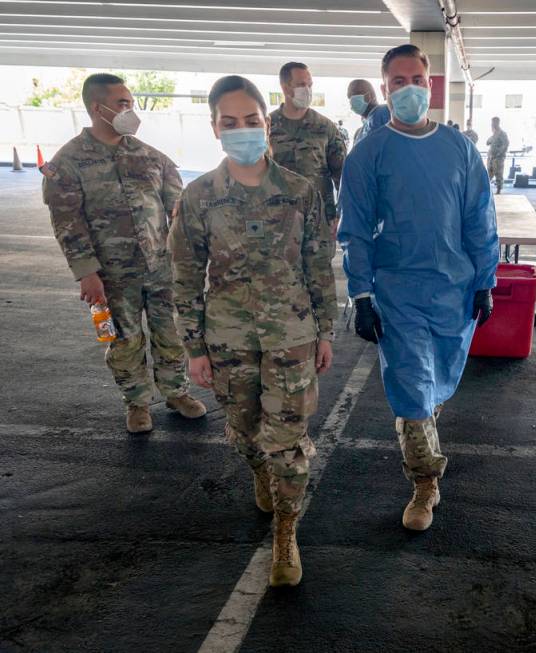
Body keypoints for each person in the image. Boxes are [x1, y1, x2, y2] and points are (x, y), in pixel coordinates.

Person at [169, 75, 337, 588]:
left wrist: (325, 331)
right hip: (229, 339)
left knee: (287, 441)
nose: (242, 130)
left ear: (267, 124)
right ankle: (259, 472)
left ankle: (286, 533)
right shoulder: (198, 197)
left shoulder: (299, 190)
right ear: (215, 128)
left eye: (251, 121)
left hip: (291, 337)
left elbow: (317, 265)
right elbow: (183, 275)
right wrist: (194, 348)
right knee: (244, 433)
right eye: (230, 122)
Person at [338, 44, 499, 532]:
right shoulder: (368, 154)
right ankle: (425, 482)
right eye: (398, 81)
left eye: (418, 80)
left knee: (439, 383)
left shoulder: (459, 149)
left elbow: (479, 218)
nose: (409, 89)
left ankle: (423, 429)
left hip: (455, 289)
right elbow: (357, 230)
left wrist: (485, 280)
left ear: (431, 85)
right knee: (411, 390)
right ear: (384, 88)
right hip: (397, 291)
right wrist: (361, 295)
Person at [42, 73, 206, 434]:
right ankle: (136, 402)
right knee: (123, 339)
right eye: (122, 104)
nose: (129, 110)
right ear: (95, 108)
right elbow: (67, 222)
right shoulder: (67, 163)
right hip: (110, 275)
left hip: (161, 269)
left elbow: (178, 211)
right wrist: (86, 272)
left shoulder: (150, 157)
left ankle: (176, 392)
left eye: (130, 103)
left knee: (171, 334)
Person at [268, 62, 345, 234]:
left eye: (310, 85)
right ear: (285, 88)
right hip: (277, 221)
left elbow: (342, 175)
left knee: (319, 262)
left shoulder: (325, 127)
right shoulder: (267, 126)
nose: (308, 90)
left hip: (319, 220)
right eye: (302, 85)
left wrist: (341, 213)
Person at [348, 78, 391, 145]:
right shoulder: (363, 129)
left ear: (369, 96)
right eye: (349, 96)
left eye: (354, 94)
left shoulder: (384, 113)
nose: (351, 99)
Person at [486, 116, 510, 194]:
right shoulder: (494, 134)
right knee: (488, 175)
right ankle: (486, 190)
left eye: (493, 123)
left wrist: (499, 154)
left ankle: (498, 190)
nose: (492, 124)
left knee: (498, 174)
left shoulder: (502, 133)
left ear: (497, 123)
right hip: (491, 158)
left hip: (498, 159)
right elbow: (488, 142)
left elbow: (505, 144)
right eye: (492, 123)